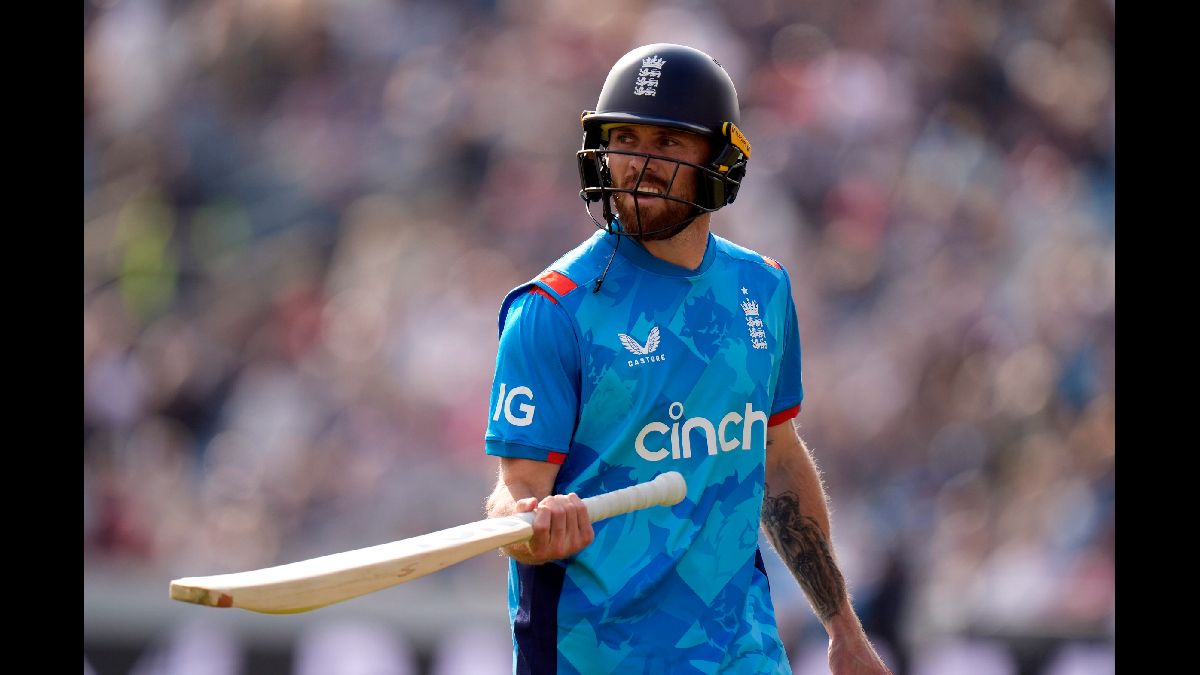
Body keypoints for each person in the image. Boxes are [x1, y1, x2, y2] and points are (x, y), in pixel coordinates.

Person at [483, 42, 892, 675]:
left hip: (744, 654)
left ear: (719, 160)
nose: (639, 162)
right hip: (597, 659)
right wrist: (533, 522)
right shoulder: (552, 311)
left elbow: (777, 458)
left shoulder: (762, 288)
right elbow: (515, 491)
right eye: (625, 138)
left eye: (668, 142)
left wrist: (842, 628)